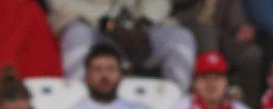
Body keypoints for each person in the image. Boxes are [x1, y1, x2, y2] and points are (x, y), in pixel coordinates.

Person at [48, 0, 196, 92]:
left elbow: (159, 2)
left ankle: (176, 102)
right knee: (77, 35)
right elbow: (62, 5)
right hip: (93, 28)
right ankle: (76, 100)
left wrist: (144, 23)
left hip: (135, 32)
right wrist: (108, 24)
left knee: (181, 38)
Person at [171, 0, 263, 109]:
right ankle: (214, 97)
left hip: (221, 35)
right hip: (185, 31)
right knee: (207, 31)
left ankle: (248, 108)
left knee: (252, 53)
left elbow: (236, 20)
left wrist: (242, 29)